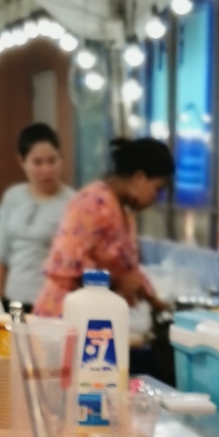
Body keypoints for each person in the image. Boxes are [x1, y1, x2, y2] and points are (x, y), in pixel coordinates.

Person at [34, 135, 172, 317]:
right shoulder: (93, 203)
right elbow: (66, 268)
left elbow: (129, 273)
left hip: (94, 318)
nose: (156, 199)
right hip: (63, 315)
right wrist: (117, 282)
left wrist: (154, 301)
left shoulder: (125, 214)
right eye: (157, 189)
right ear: (139, 177)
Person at [0, 122, 73, 309]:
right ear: (22, 162)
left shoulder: (73, 204)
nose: (46, 170)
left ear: (61, 158)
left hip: (52, 305)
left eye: (52, 160)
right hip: (12, 300)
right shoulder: (13, 196)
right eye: (37, 162)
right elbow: (0, 255)